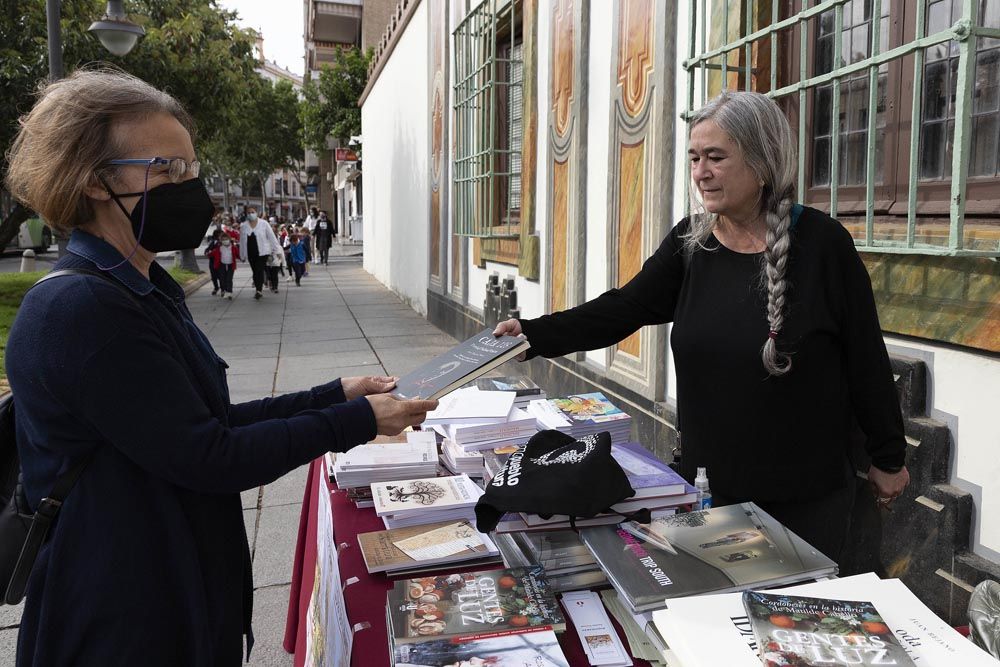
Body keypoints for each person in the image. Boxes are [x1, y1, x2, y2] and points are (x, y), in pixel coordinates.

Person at [2, 68, 438, 666]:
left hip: (168, 583)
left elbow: (210, 419)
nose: (191, 187)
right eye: (169, 169)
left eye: (191, 169)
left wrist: (332, 395)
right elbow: (210, 456)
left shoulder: (138, 286)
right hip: (122, 613)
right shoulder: (79, 309)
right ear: (95, 180)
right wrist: (358, 421)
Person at [493, 91, 909, 563]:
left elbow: (866, 359)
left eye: (715, 157)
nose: (700, 172)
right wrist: (533, 335)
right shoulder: (691, 245)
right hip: (711, 493)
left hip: (805, 499)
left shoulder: (823, 245)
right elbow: (622, 309)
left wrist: (888, 456)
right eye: (694, 158)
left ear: (763, 161)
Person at [239, 205, 281, 300]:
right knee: (255, 271)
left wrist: (276, 250)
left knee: (259, 269)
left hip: (263, 252)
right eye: (248, 213)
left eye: (252, 212)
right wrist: (242, 255)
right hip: (250, 252)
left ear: (256, 213)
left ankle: (259, 290)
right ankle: (258, 288)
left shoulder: (264, 223)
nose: (251, 214)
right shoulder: (243, 226)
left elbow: (271, 237)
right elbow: (241, 241)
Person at [215, 231, 237, 299]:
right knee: (222, 279)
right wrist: (208, 253)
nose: (225, 241)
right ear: (221, 240)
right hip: (222, 265)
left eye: (226, 239)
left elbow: (237, 254)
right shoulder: (219, 248)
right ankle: (224, 290)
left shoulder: (233, 247)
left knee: (229, 278)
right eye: (223, 240)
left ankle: (229, 292)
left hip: (231, 265)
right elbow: (213, 253)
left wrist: (242, 258)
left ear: (229, 239)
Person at [204, 229, 222, 295]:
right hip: (212, 261)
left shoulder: (222, 242)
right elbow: (208, 249)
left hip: (220, 261)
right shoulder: (213, 241)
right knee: (213, 276)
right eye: (218, 234)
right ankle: (216, 287)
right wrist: (206, 252)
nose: (219, 236)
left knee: (220, 276)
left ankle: (223, 289)